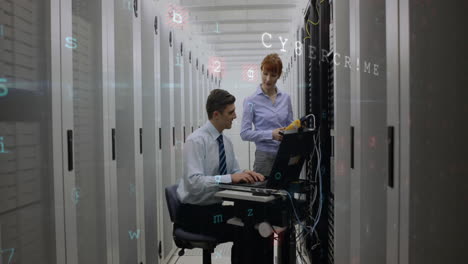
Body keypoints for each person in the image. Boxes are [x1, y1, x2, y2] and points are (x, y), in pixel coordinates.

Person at [176, 89, 265, 263]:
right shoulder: (196, 141)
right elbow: (194, 182)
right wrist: (229, 178)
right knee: (247, 229)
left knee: (258, 219)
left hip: (213, 211)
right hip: (193, 215)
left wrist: (246, 174)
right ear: (216, 114)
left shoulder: (226, 142)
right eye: (230, 112)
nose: (235, 116)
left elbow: (233, 173)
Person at [240, 53, 294, 177]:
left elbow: (290, 127)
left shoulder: (286, 99)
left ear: (279, 76)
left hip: (284, 155)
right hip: (264, 158)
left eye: (273, 75)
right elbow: (244, 134)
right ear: (261, 71)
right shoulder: (251, 101)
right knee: (263, 193)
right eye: (265, 74)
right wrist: (271, 134)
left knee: (284, 194)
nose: (268, 79)